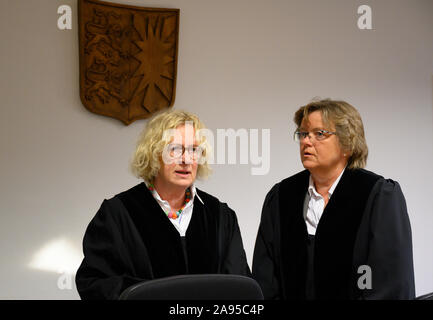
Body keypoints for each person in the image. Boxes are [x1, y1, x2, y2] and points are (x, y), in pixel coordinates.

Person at [76, 110, 250, 299]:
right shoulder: (118, 214)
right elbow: (95, 283)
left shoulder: (220, 216)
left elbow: (239, 288)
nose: (185, 160)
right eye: (174, 149)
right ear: (154, 153)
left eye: (193, 150)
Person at [252, 99, 415, 300]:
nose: (306, 141)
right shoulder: (281, 197)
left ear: (347, 144)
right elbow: (266, 280)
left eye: (319, 134)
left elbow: (390, 283)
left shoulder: (376, 195)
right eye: (303, 134)